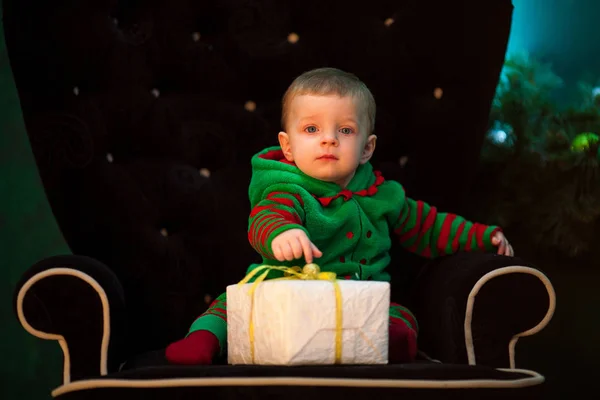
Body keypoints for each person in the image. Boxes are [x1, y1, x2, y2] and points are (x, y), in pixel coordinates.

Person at [165, 67, 514, 365]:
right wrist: (281, 233)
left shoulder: (384, 194)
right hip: (289, 295)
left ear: (366, 148)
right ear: (288, 146)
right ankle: (203, 341)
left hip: (359, 301)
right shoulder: (287, 189)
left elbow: (429, 226)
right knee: (234, 303)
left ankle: (389, 340)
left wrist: (484, 236)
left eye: (344, 130)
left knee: (400, 313)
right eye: (312, 130)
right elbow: (266, 217)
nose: (329, 140)